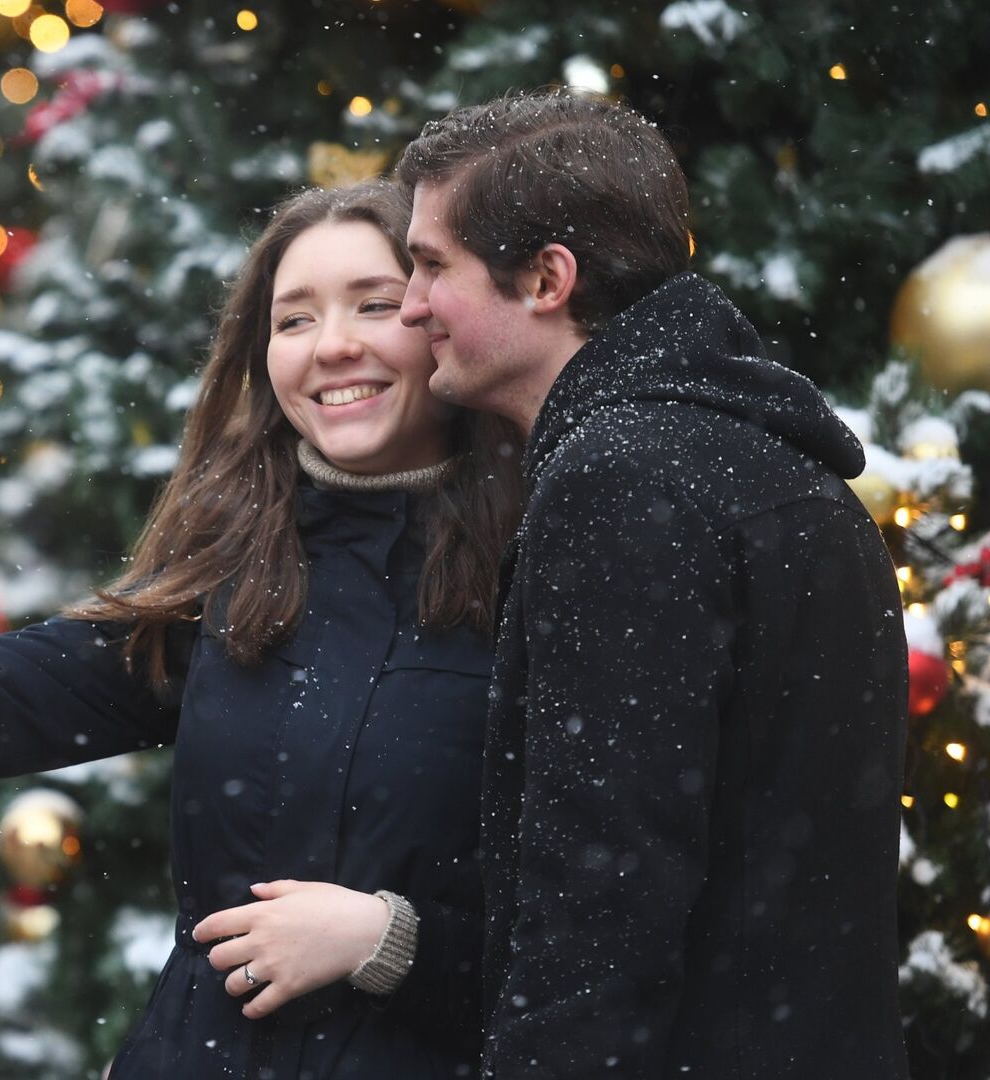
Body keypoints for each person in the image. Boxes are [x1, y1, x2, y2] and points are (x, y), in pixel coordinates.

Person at [0, 180, 522, 1078]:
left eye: (374, 306)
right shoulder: (238, 574)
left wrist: (392, 939)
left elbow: (612, 934)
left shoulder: (543, 576)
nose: (332, 346)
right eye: (294, 320)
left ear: (442, 319)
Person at [394, 89, 909, 1078]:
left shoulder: (626, 485)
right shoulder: (765, 458)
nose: (411, 305)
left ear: (547, 279)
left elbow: (603, 893)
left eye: (430, 266)